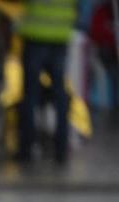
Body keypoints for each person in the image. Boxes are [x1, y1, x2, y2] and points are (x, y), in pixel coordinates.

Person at [15, 0, 77, 163]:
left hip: (35, 35)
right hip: (60, 35)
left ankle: (26, 150)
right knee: (60, 96)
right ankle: (61, 151)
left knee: (30, 96)